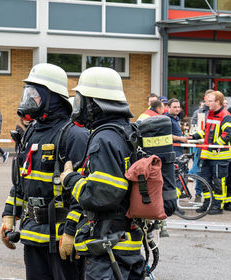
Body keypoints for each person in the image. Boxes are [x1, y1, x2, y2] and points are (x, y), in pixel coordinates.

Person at [61, 67, 173, 280]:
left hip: (109, 249)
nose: (78, 106)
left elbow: (103, 195)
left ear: (95, 104)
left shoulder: (104, 139)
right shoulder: (124, 131)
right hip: (128, 244)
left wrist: (70, 179)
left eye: (81, 100)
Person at [0, 63, 89, 280]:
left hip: (62, 238)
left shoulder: (74, 134)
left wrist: (72, 232)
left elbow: (84, 190)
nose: (30, 99)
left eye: (35, 94)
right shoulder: (31, 131)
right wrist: (9, 215)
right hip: (32, 234)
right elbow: (21, 180)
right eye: (28, 93)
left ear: (52, 97)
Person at [191, 91, 231, 215]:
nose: (207, 103)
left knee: (218, 182)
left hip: (219, 156)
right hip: (207, 155)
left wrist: (214, 145)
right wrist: (194, 135)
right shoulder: (210, 114)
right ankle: (208, 203)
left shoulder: (225, 115)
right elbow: (206, 132)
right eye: (207, 101)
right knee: (203, 180)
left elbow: (228, 133)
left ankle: (217, 205)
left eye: (210, 101)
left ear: (218, 102)